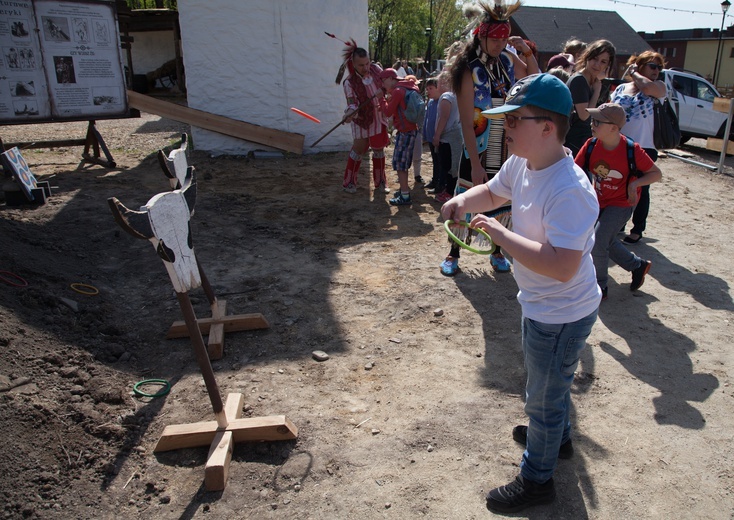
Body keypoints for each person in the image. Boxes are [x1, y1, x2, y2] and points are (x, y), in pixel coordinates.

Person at [442, 73, 600, 514]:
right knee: (552, 381)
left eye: (514, 120)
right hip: (543, 306)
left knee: (542, 397)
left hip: (562, 312)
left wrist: (498, 234)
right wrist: (462, 203)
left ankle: (537, 483)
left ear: (547, 127)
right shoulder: (523, 163)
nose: (505, 127)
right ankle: (559, 439)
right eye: (505, 119)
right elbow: (493, 192)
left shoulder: (569, 190)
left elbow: (562, 266)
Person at [439, 0, 539, 276]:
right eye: (494, 37)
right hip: (479, 146)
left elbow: (536, 79)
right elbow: (467, 123)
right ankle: (454, 251)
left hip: (507, 145)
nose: (499, 43)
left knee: (503, 198)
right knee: (468, 193)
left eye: (503, 37)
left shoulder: (507, 61)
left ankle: (496, 251)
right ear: (481, 34)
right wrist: (474, 163)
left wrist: (525, 51)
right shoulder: (467, 69)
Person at [575, 103, 662, 300]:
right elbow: (575, 171)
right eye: (592, 119)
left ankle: (600, 287)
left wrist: (635, 184)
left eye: (597, 121)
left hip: (622, 204)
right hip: (597, 202)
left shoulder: (632, 149)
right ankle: (637, 266)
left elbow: (656, 174)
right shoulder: (590, 145)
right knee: (604, 239)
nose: (592, 124)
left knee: (598, 241)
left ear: (613, 128)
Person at [610, 51, 667, 244]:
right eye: (652, 66)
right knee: (618, 185)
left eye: (659, 67)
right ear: (640, 65)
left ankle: (637, 228)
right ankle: (619, 224)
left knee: (642, 189)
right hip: (619, 144)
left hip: (645, 146)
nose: (656, 71)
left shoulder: (658, 87)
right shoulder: (621, 88)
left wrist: (634, 73)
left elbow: (648, 88)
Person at [337, 43, 389, 194]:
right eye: (361, 65)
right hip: (362, 120)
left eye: (367, 63)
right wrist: (349, 114)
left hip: (378, 116)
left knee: (379, 148)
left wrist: (385, 90)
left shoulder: (376, 70)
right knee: (359, 148)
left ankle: (380, 183)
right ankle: (349, 182)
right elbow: (352, 103)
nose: (365, 68)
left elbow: (388, 83)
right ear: (353, 63)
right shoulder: (349, 82)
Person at [564, 39, 616, 156]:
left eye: (603, 62)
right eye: (595, 58)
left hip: (581, 139)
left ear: (608, 65)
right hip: (573, 140)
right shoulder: (579, 80)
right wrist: (597, 90)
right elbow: (584, 115)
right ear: (587, 56)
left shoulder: (591, 79)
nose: (597, 64)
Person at [379, 68, 421, 206]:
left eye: (383, 80)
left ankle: (405, 195)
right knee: (403, 162)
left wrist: (381, 99)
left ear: (391, 78)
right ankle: (404, 190)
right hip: (410, 130)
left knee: (400, 164)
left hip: (405, 131)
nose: (382, 84)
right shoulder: (406, 86)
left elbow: (387, 112)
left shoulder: (398, 91)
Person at [432, 71, 462, 203]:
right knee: (452, 166)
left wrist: (437, 135)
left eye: (438, 83)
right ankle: (449, 190)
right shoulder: (457, 95)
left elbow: (443, 118)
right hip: (456, 137)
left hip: (448, 138)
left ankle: (449, 192)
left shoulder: (446, 97)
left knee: (448, 166)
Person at [422, 77, 441, 190]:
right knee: (434, 160)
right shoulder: (430, 102)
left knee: (439, 161)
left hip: (438, 137)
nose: (428, 91)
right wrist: (425, 134)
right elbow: (427, 118)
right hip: (430, 137)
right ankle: (434, 180)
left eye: (431, 88)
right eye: (427, 89)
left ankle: (439, 182)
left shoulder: (442, 102)